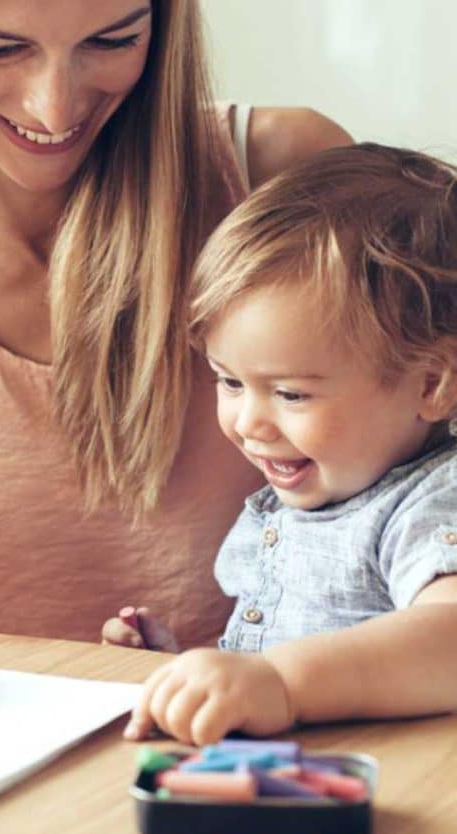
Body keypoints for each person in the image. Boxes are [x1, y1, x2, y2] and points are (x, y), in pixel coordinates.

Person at [0, 0, 349, 680]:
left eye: (112, 39)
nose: (55, 108)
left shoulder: (280, 174)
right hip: (21, 777)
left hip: (312, 753)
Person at [104, 143, 457, 746]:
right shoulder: (296, 505)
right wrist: (194, 670)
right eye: (230, 381)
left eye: (290, 394)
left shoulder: (431, 502)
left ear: (431, 384)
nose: (248, 423)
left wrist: (280, 680)